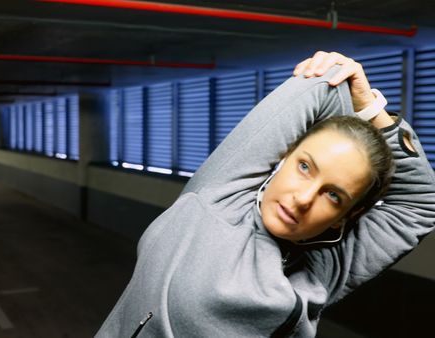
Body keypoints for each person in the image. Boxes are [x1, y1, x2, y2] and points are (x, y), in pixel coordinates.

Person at [96, 51, 435, 337]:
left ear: (342, 220)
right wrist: (358, 96)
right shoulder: (218, 198)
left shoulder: (324, 270)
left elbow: (422, 203)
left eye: (333, 196)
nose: (304, 199)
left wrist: (373, 115)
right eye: (305, 167)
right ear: (281, 159)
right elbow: (322, 86)